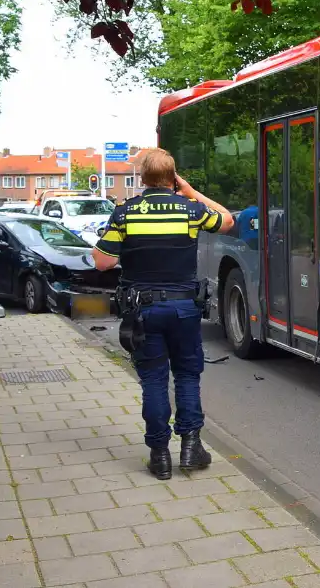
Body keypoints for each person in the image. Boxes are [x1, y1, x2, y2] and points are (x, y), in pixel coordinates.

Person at [91, 149, 236, 480]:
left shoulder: (126, 213)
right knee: (186, 375)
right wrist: (190, 192)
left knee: (154, 379)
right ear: (173, 178)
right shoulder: (190, 210)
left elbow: (102, 262)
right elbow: (227, 221)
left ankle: (159, 457)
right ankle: (190, 447)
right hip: (185, 308)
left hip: (144, 311)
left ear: (141, 178)